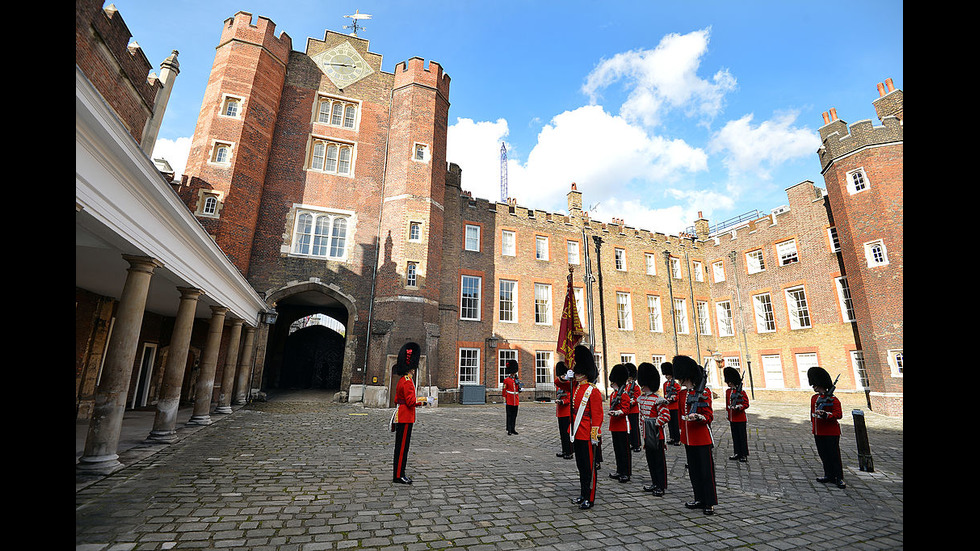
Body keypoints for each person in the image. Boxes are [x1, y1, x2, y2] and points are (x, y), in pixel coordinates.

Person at [673, 355, 717, 515]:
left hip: (701, 437)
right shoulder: (682, 394)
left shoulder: (704, 392)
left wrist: (699, 417)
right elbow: (679, 414)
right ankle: (699, 498)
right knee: (694, 471)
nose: (680, 382)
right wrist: (681, 431)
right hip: (688, 438)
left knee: (706, 472)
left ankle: (709, 501)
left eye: (682, 379)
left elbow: (709, 415)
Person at [569, 345, 603, 509]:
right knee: (581, 466)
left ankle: (590, 496)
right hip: (577, 432)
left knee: (589, 468)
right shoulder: (575, 387)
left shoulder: (593, 391)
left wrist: (595, 434)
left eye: (577, 372)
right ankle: (583, 494)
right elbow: (559, 384)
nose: (575, 374)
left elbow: (597, 416)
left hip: (587, 433)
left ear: (584, 373)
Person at [392, 342, 425, 484]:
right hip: (405, 417)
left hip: (403, 415)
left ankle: (399, 473)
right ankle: (399, 475)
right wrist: (423, 402)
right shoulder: (407, 381)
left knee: (401, 447)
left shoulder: (403, 380)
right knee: (402, 447)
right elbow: (411, 402)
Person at [808, 366, 846, 489]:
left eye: (816, 385)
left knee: (834, 455)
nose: (814, 387)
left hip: (830, 432)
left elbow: (838, 415)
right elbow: (812, 414)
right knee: (823, 454)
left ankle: (839, 477)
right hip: (818, 431)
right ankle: (829, 475)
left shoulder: (833, 399)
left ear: (821, 385)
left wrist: (826, 415)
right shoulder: (814, 398)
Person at [637, 362, 670, 496]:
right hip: (647, 435)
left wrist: (654, 423)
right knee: (650, 460)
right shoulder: (642, 399)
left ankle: (661, 485)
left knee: (659, 462)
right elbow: (641, 417)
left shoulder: (658, 400)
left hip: (657, 435)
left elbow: (666, 416)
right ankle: (654, 482)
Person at [606, 363, 632, 483]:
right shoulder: (613, 394)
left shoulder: (624, 395)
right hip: (615, 426)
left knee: (624, 451)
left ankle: (626, 472)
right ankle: (619, 470)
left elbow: (626, 410)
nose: (612, 384)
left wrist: (617, 413)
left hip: (622, 425)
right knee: (617, 450)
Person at [724, 366, 750, 462]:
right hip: (732, 418)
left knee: (742, 437)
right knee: (735, 436)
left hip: (740, 418)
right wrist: (728, 412)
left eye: (729, 381)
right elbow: (727, 403)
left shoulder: (741, 392)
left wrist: (739, 407)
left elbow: (746, 404)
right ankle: (737, 452)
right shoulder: (728, 392)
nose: (728, 383)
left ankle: (743, 454)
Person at [554, 361, 574, 459]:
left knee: (567, 433)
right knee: (562, 433)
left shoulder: (568, 383)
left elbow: (570, 396)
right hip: (560, 411)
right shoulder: (560, 383)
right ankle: (564, 450)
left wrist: (563, 402)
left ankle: (569, 451)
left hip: (566, 410)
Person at [661, 362, 681, 445]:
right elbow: (665, 394)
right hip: (668, 406)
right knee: (670, 424)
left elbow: (678, 394)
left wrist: (673, 398)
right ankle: (672, 437)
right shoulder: (665, 384)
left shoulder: (676, 384)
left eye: (667, 374)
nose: (666, 376)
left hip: (674, 406)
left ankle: (677, 439)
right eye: (665, 374)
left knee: (675, 424)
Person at [625, 363, 642, 453]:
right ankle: (632, 443)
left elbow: (637, 398)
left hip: (634, 410)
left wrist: (632, 401)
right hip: (628, 410)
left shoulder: (635, 387)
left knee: (635, 428)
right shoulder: (626, 386)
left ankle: (637, 444)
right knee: (630, 428)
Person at [503, 359, 522, 435]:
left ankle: (513, 428)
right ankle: (509, 429)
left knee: (514, 415)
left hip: (515, 400)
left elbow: (518, 390)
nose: (514, 374)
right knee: (509, 415)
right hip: (509, 399)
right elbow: (504, 390)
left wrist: (520, 389)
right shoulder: (506, 380)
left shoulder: (517, 380)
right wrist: (505, 400)